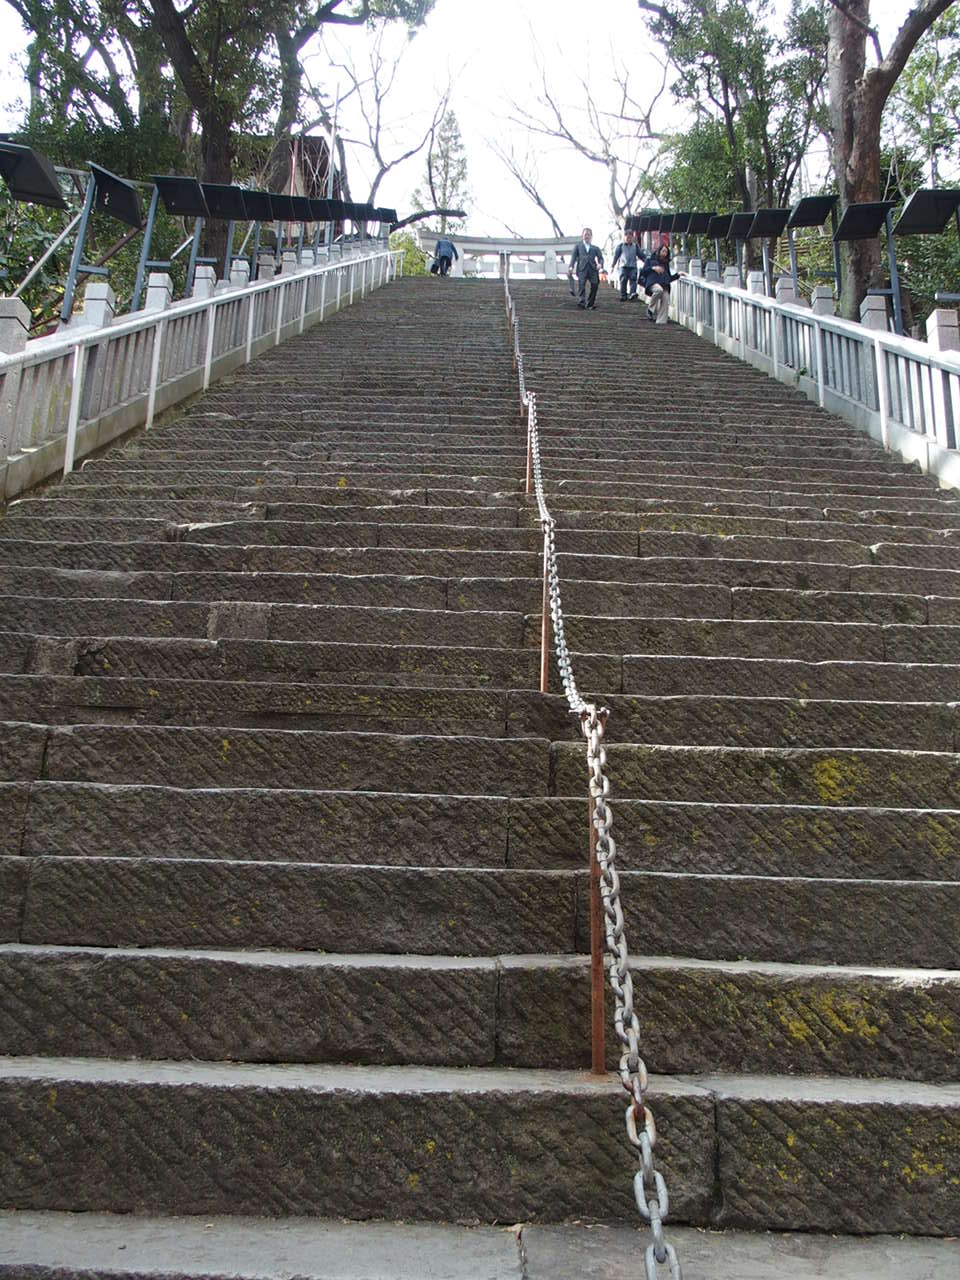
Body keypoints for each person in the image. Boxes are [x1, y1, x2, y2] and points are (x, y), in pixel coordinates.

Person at [641, 242, 679, 324]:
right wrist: (653, 268)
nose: (664, 253)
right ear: (659, 251)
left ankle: (661, 322)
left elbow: (669, 277)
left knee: (666, 298)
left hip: (664, 284)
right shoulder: (650, 260)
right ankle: (650, 309)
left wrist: (678, 275)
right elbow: (643, 272)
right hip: (653, 283)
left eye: (666, 252)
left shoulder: (666, 264)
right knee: (659, 290)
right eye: (663, 251)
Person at [568, 227, 605, 310]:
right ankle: (581, 302)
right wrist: (571, 266)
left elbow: (601, 258)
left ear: (591, 236)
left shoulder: (595, 248)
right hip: (582, 268)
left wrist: (600, 264)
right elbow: (573, 258)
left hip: (592, 269)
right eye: (585, 234)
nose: (586, 236)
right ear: (582, 236)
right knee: (581, 285)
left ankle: (590, 303)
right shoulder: (578, 246)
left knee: (595, 285)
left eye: (588, 235)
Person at [611, 229, 640, 301]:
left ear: (632, 238)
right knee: (623, 280)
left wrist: (647, 261)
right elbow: (616, 256)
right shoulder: (620, 246)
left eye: (630, 237)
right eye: (627, 237)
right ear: (624, 237)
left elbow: (641, 255)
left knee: (633, 279)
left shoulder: (635, 246)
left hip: (633, 266)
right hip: (623, 266)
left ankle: (632, 294)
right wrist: (613, 265)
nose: (628, 239)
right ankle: (623, 295)